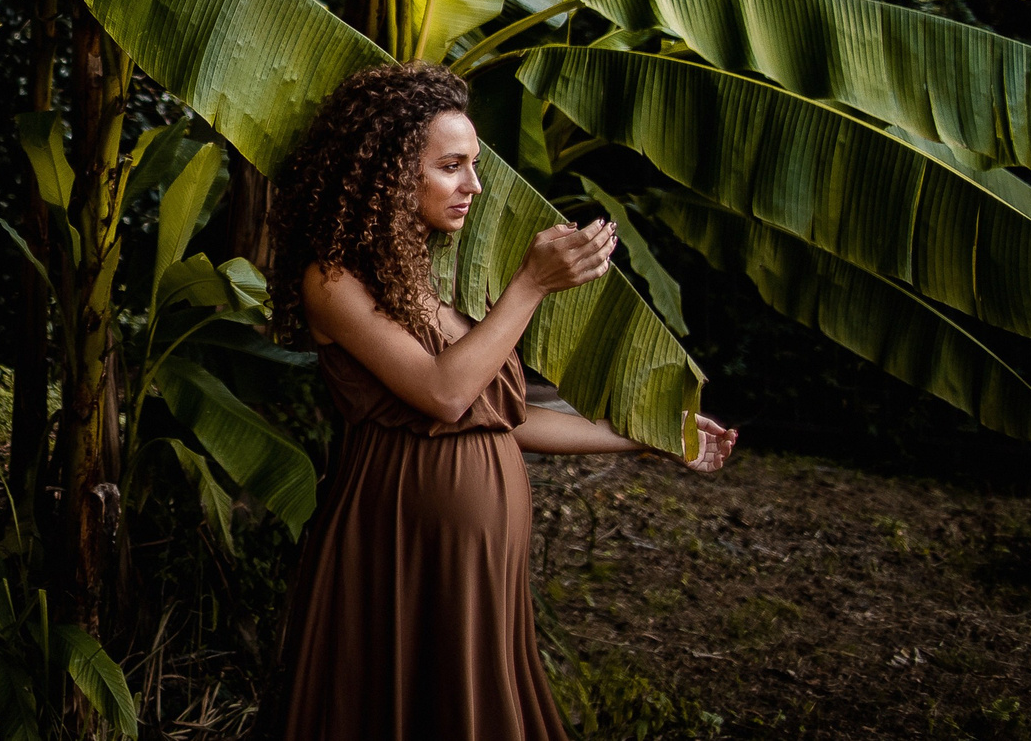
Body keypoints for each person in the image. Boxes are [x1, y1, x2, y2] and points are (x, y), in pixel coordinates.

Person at [268, 62, 737, 740]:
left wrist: (652, 434)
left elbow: (508, 422)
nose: (474, 186)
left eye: (474, 165)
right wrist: (532, 284)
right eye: (451, 165)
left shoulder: (425, 285)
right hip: (401, 539)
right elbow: (446, 393)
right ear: (392, 172)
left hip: (477, 556)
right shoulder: (333, 280)